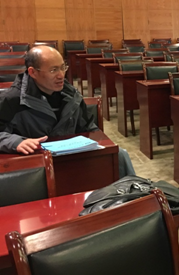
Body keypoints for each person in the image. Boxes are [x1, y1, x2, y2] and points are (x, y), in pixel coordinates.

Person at [0, 46, 135, 177]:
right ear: (33, 72)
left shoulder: (71, 94)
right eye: (53, 70)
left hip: (71, 156)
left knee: (120, 155)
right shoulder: (11, 99)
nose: (61, 75)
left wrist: (101, 145)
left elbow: (88, 127)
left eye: (63, 67)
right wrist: (16, 142)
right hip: (35, 165)